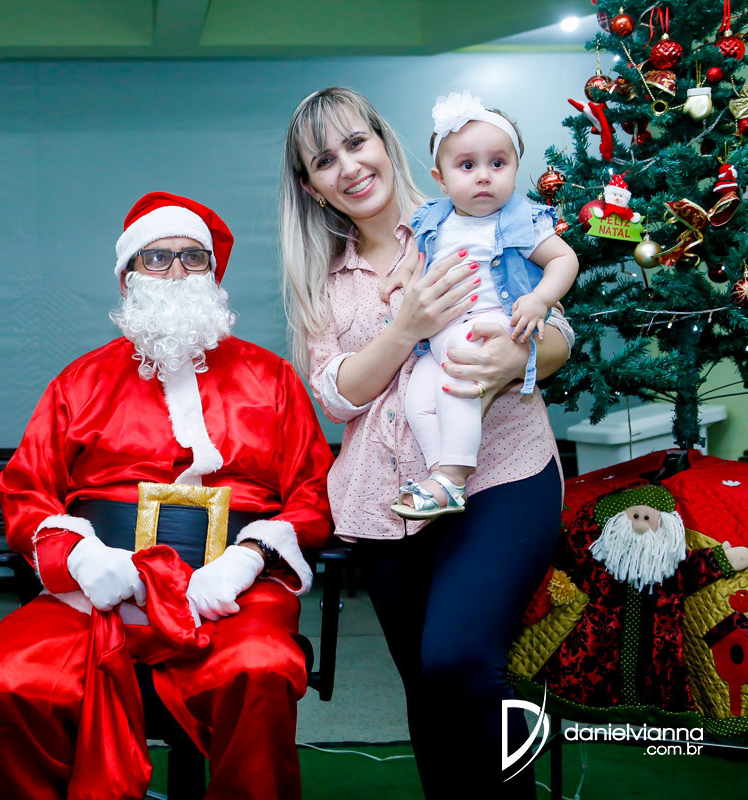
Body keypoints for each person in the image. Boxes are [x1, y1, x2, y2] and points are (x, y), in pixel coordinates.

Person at [0, 192, 333, 800]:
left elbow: (314, 491)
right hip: (100, 590)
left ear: (213, 273)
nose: (178, 271)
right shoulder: (80, 382)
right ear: (127, 277)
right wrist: (78, 555)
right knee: (6, 681)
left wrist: (251, 557)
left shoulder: (271, 379)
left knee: (259, 668)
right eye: (157, 257)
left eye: (193, 257)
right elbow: (25, 489)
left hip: (232, 594)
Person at [279, 87, 574, 797]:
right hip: (386, 506)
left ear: (385, 143)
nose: (349, 167)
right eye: (325, 161)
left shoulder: (468, 210)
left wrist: (515, 357)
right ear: (312, 188)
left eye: (357, 143)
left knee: (459, 660)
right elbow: (336, 395)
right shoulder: (323, 278)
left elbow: (559, 334)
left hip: (501, 474)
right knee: (427, 687)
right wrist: (405, 327)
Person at [388, 91, 579, 519]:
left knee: (458, 382)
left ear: (515, 168)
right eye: (467, 166)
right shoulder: (435, 217)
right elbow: (421, 256)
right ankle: (441, 476)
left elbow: (565, 259)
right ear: (441, 179)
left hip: (489, 323)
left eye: (497, 163)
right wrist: (403, 275)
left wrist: (540, 299)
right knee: (418, 398)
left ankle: (453, 476)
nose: (483, 177)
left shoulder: (520, 219)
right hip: (440, 334)